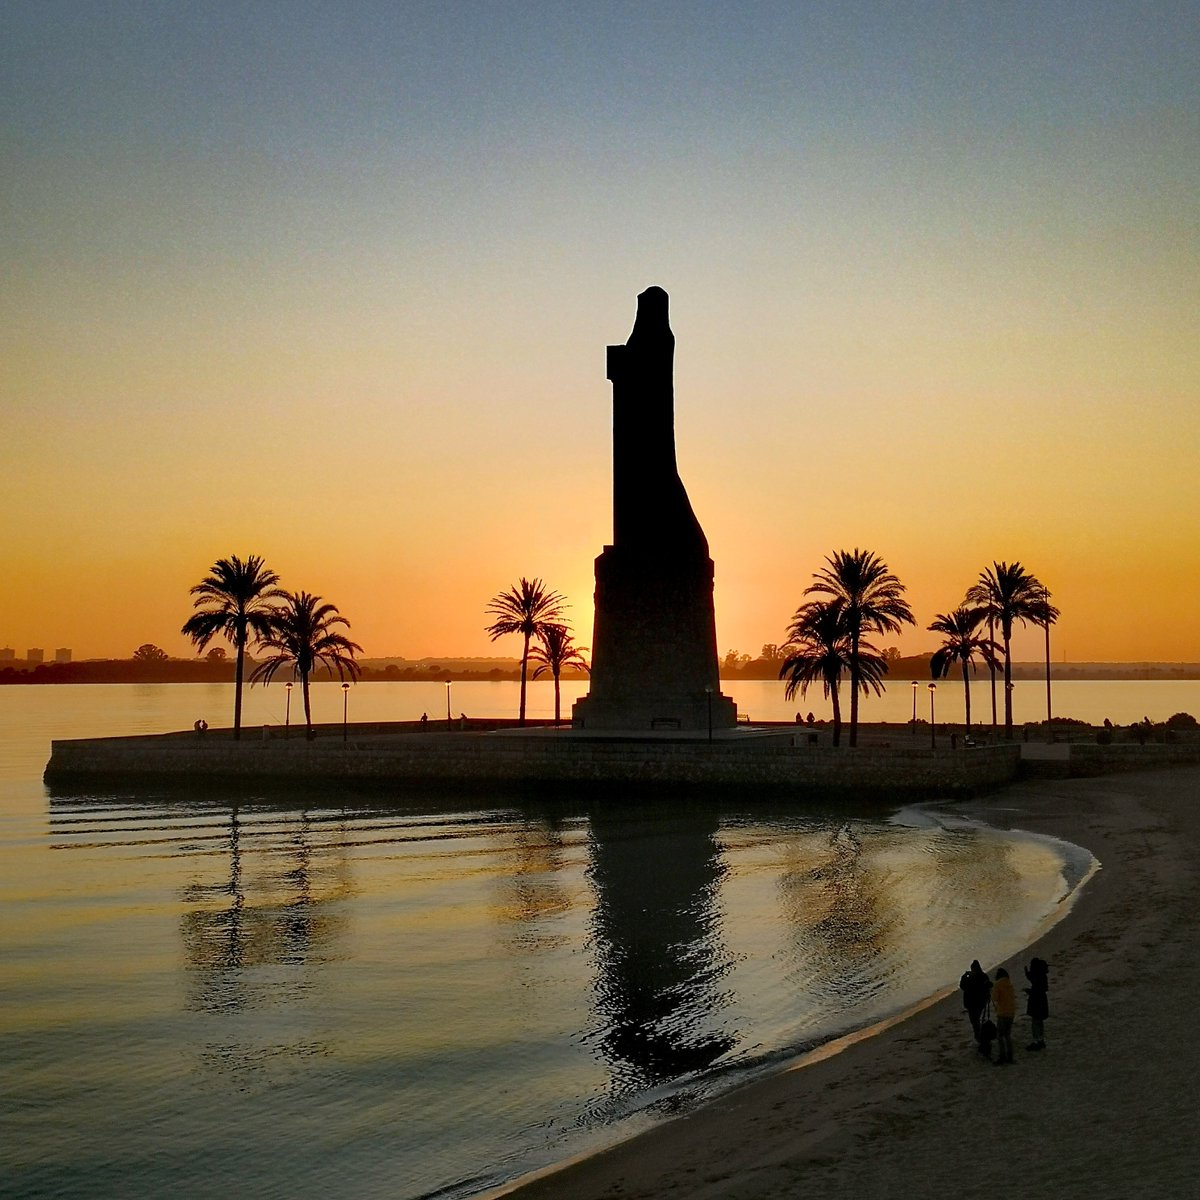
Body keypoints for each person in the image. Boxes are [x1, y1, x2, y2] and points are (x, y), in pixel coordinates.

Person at [959, 960, 992, 1046]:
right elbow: (988, 987)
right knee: (976, 1020)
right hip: (981, 1003)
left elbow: (962, 986)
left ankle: (978, 1037)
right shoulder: (984, 976)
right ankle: (979, 1037)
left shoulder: (970, 978)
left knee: (975, 1021)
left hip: (972, 1004)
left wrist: (964, 976)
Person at [992, 967, 1016, 1064]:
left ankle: (1002, 1056)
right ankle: (1010, 1055)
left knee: (1000, 1035)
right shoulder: (1009, 984)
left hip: (1002, 1013)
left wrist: (991, 991)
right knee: (1007, 1035)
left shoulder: (998, 984)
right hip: (1011, 1012)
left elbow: (994, 998)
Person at [1024, 957, 1049, 1050]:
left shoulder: (1037, 976)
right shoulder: (1042, 975)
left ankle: (1036, 1041)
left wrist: (1029, 991)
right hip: (1042, 1001)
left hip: (1036, 1002)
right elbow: (1043, 988)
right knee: (1040, 1022)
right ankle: (1041, 1040)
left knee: (1035, 1022)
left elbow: (1036, 987)